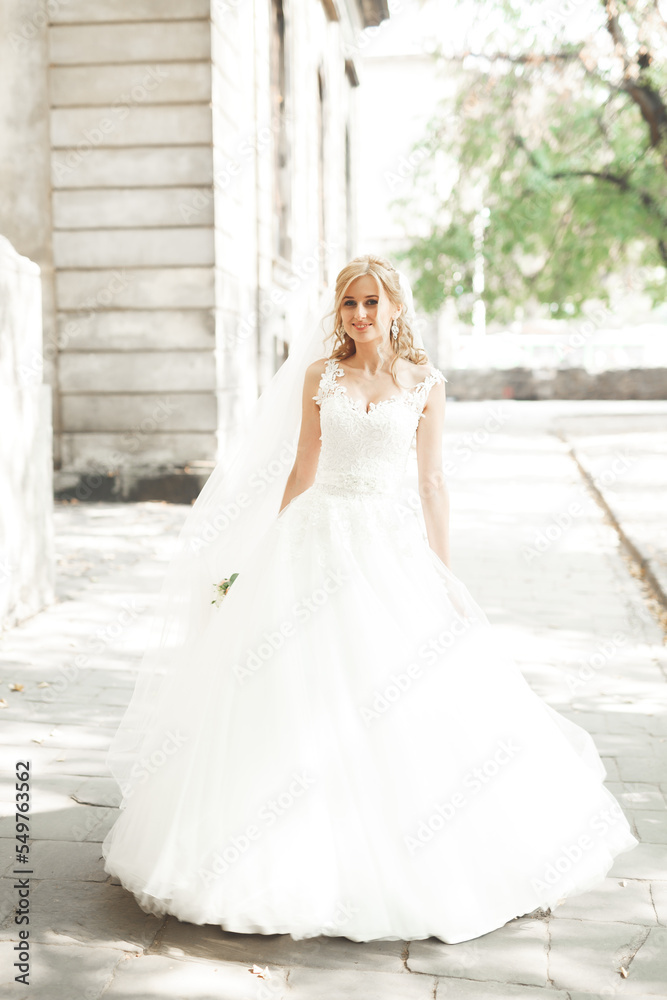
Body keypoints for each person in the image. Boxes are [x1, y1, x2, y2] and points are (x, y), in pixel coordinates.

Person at [102, 253, 638, 945]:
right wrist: (261, 552)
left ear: (393, 308)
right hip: (314, 535)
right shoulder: (318, 375)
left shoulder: (424, 382)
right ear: (339, 312)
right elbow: (302, 462)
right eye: (348, 304)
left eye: (370, 303)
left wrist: (441, 576)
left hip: (385, 547)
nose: (358, 315)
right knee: (293, 689)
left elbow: (433, 483)